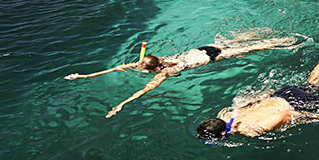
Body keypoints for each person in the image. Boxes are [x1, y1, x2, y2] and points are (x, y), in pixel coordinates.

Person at [64, 30, 302, 118]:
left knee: (251, 49)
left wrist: (121, 105)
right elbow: (117, 67)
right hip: (202, 48)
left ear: (155, 69)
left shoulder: (165, 73)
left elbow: (143, 91)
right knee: (234, 42)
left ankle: (286, 42)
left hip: (210, 58)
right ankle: (265, 34)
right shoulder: (159, 60)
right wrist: (84, 76)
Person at [197, 51, 319, 141]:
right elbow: (247, 102)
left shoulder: (252, 130)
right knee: (311, 83)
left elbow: (286, 115)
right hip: (281, 94)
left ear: (222, 135)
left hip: (296, 104)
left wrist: (312, 117)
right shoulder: (224, 115)